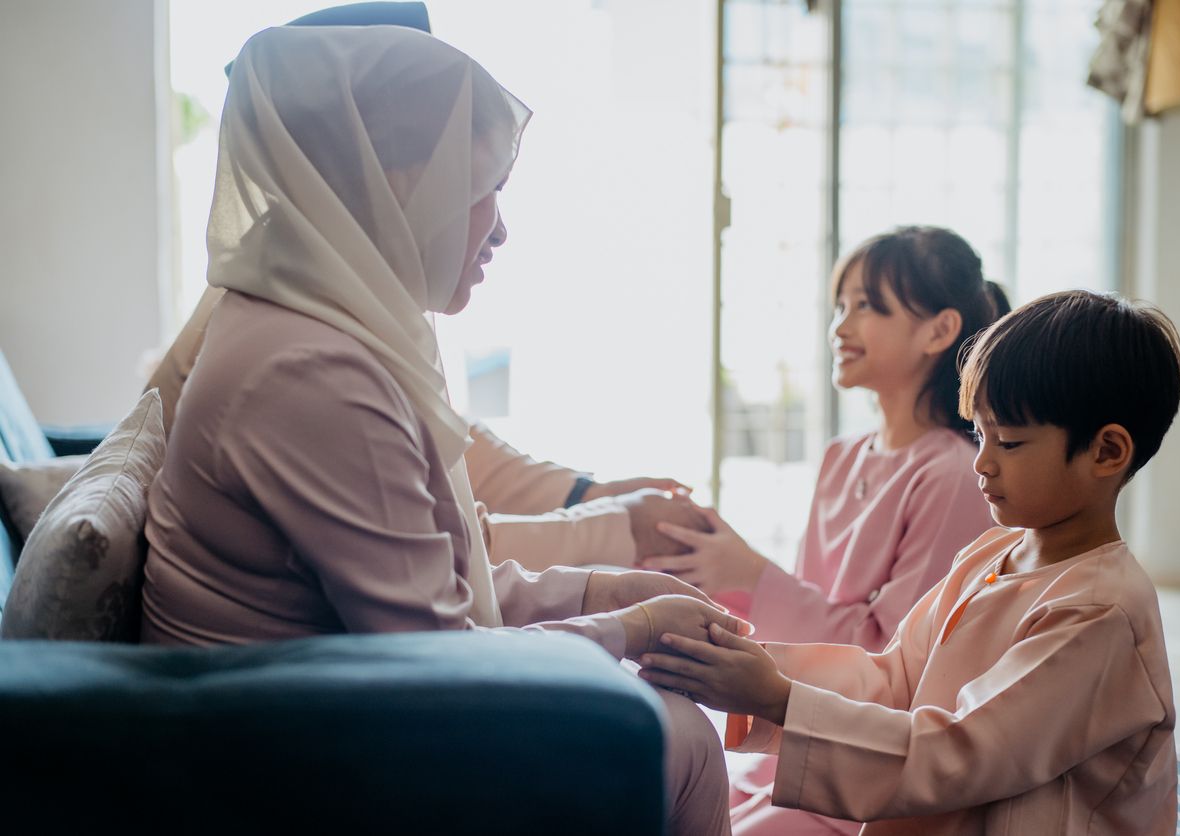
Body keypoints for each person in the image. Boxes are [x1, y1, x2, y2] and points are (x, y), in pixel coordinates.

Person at [140, 24, 741, 835]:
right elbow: (444, 653)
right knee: (679, 733)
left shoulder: (319, 322)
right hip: (291, 755)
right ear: (398, 185)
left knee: (671, 716)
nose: (498, 230)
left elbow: (440, 575)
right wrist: (628, 626)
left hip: (318, 704)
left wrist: (605, 588)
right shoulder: (310, 371)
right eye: (480, 187)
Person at [640, 289, 1180, 834]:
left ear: (1107, 452)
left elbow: (964, 753)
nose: (983, 463)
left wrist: (781, 699)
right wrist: (757, 667)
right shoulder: (992, 554)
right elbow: (897, 678)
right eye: (979, 433)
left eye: (1010, 443)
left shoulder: (1100, 611)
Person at [641, 227, 1008, 833]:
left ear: (939, 331)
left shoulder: (951, 473)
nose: (841, 326)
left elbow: (892, 664)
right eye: (842, 306)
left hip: (863, 766)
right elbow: (813, 609)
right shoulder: (843, 454)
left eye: (867, 305)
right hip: (790, 743)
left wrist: (752, 574)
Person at [149, 288, 705, 571]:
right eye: (475, 187)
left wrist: (592, 496)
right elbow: (436, 558)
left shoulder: (314, 283)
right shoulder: (306, 353)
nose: (499, 230)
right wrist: (608, 528)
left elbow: (447, 449)